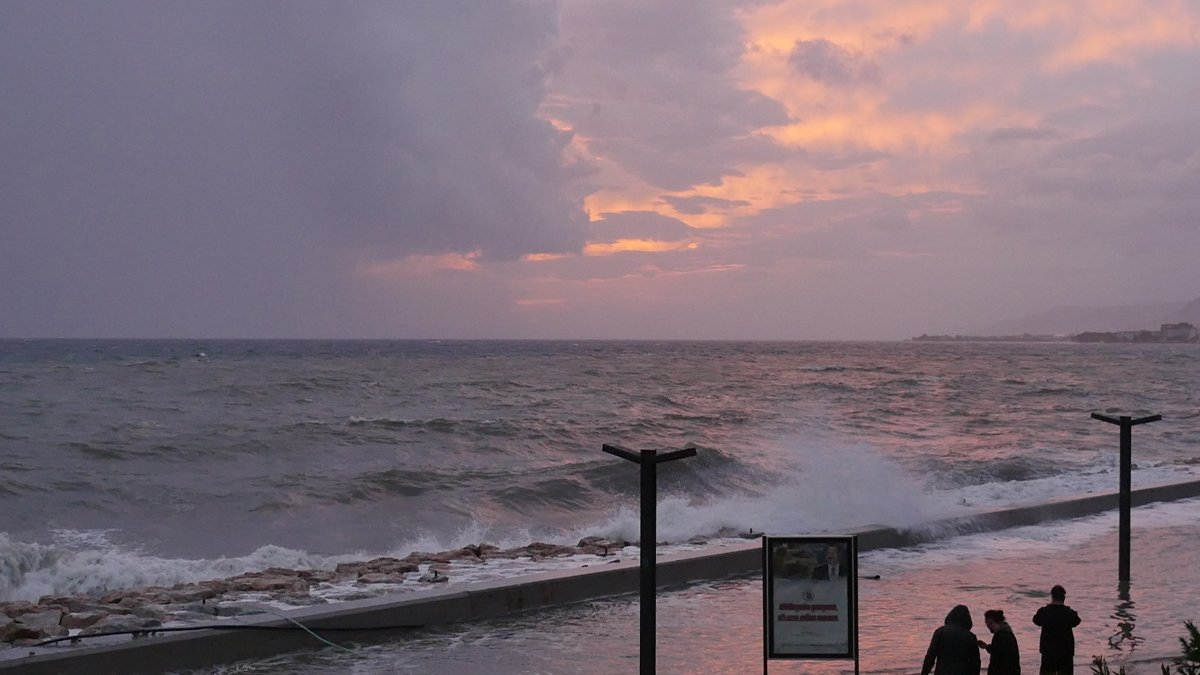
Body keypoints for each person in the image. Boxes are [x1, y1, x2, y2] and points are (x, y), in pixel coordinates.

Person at [1032, 585, 1081, 675]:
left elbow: (1036, 620)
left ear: (1052, 596)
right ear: (1064, 598)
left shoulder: (1045, 612)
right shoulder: (1068, 613)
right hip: (1066, 652)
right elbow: (1077, 621)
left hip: (1048, 652)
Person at [922, 604, 982, 675]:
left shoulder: (940, 632)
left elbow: (930, 656)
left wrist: (924, 673)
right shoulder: (970, 636)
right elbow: (976, 662)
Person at [978, 609, 1021, 675]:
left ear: (990, 622)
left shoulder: (1000, 636)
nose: (987, 626)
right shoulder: (1007, 633)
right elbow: (999, 650)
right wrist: (986, 647)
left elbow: (999, 659)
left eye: (987, 623)